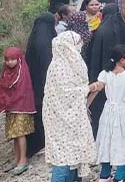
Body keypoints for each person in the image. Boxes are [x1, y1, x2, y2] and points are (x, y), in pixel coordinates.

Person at [43, 31, 96, 182]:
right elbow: (67, 94)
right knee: (63, 158)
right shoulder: (60, 67)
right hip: (60, 119)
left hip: (72, 117)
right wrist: (89, 88)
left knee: (74, 156)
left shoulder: (67, 63)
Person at [87, 44, 125, 182]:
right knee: (124, 142)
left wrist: (86, 105)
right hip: (123, 112)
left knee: (107, 141)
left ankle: (104, 176)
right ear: (122, 60)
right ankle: (120, 177)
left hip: (108, 111)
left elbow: (96, 89)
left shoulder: (105, 74)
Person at [86, 3, 125, 136]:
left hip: (104, 72)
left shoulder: (100, 31)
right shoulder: (124, 29)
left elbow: (95, 56)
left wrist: (93, 76)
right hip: (122, 72)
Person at [0, 47, 36, 176]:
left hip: (21, 107)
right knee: (14, 134)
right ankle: (16, 158)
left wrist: (12, 100)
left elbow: (22, 91)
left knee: (20, 133)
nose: (9, 62)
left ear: (18, 59)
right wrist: (4, 101)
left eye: (12, 59)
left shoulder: (22, 72)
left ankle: (23, 160)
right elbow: (2, 88)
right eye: (7, 60)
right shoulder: (6, 72)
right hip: (11, 108)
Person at [25, 13, 57, 158]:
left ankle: (35, 143)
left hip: (34, 81)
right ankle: (44, 142)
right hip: (45, 82)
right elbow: (47, 64)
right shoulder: (45, 41)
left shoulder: (34, 38)